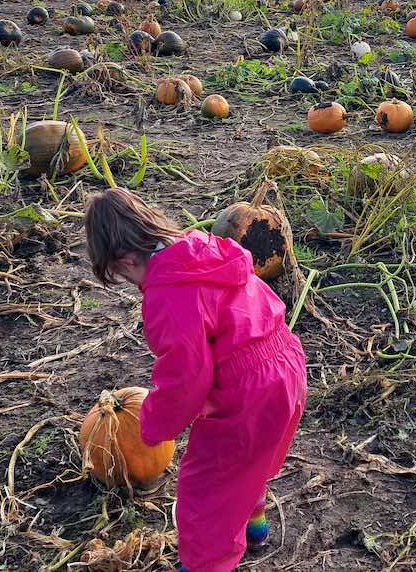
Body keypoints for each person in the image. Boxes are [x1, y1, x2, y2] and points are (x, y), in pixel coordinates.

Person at [84, 188, 307, 572]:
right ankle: (254, 527)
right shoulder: (202, 249)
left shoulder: (168, 294)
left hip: (248, 390)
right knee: (247, 462)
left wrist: (152, 422)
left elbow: (186, 376)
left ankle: (205, 565)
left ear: (124, 259)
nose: (131, 284)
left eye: (122, 274)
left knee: (206, 492)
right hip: (287, 363)